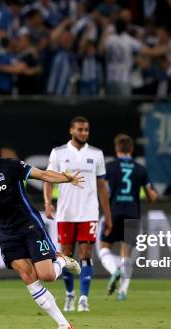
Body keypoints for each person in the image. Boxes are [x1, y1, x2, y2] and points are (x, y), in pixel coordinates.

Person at [0, 132, 83, 329]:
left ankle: (62, 260)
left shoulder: (10, 166)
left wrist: (66, 179)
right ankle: (64, 324)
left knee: (46, 275)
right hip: (7, 234)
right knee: (27, 275)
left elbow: (43, 174)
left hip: (29, 227)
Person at [44, 116, 112, 312]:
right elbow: (48, 179)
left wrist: (107, 215)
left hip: (89, 212)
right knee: (66, 255)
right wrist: (48, 203)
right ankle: (69, 294)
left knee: (86, 253)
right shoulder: (59, 153)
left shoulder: (96, 154)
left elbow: (102, 186)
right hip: (66, 213)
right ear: (71, 131)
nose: (84, 133)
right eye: (80, 129)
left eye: (86, 130)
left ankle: (83, 298)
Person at [98, 134, 157, 301]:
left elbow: (102, 188)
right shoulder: (140, 169)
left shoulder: (109, 167)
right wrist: (152, 193)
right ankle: (123, 291)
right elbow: (151, 197)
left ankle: (113, 271)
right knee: (126, 253)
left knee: (104, 248)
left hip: (114, 212)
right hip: (132, 213)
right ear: (131, 149)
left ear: (117, 149)